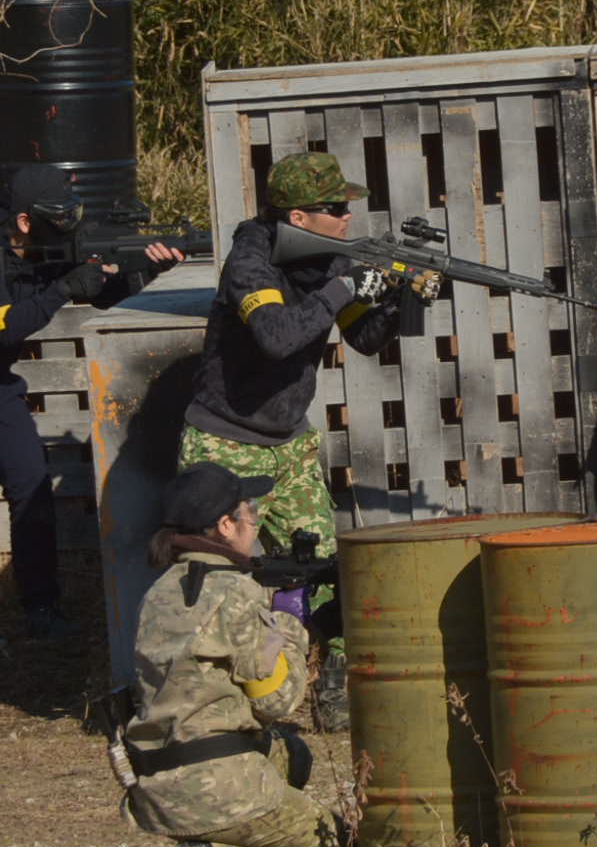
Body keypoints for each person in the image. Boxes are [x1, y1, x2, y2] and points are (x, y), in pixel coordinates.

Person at [179, 149, 431, 731]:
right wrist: (344, 286)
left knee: (318, 567)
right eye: (335, 208)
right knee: (213, 575)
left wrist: (403, 297)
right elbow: (276, 336)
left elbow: (365, 338)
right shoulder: (251, 261)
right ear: (297, 217)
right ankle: (205, 700)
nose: (347, 217)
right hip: (223, 446)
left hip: (288, 444)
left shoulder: (326, 260)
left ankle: (331, 683)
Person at [0, 167, 182, 647]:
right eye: (60, 216)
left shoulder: (50, 242)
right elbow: (3, 327)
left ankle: (42, 610)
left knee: (32, 490)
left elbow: (101, 294)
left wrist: (146, 269)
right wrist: (64, 288)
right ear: (25, 221)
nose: (70, 223)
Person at [119, 463, 350, 847]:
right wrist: (290, 626)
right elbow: (277, 701)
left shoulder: (159, 592)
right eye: (250, 513)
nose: (255, 523)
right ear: (225, 525)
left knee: (291, 753)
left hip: (159, 779)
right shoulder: (235, 593)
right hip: (217, 784)